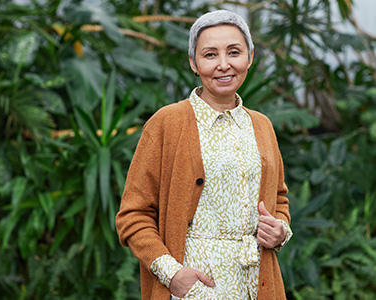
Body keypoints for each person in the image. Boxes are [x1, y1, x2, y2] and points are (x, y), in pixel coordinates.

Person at [116, 10, 292, 300]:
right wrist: (172, 274)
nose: (224, 65)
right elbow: (133, 215)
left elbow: (279, 198)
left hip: (256, 285)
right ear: (193, 63)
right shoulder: (167, 123)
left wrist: (280, 230)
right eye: (210, 55)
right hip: (195, 288)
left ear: (249, 57)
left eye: (234, 52)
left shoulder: (261, 125)